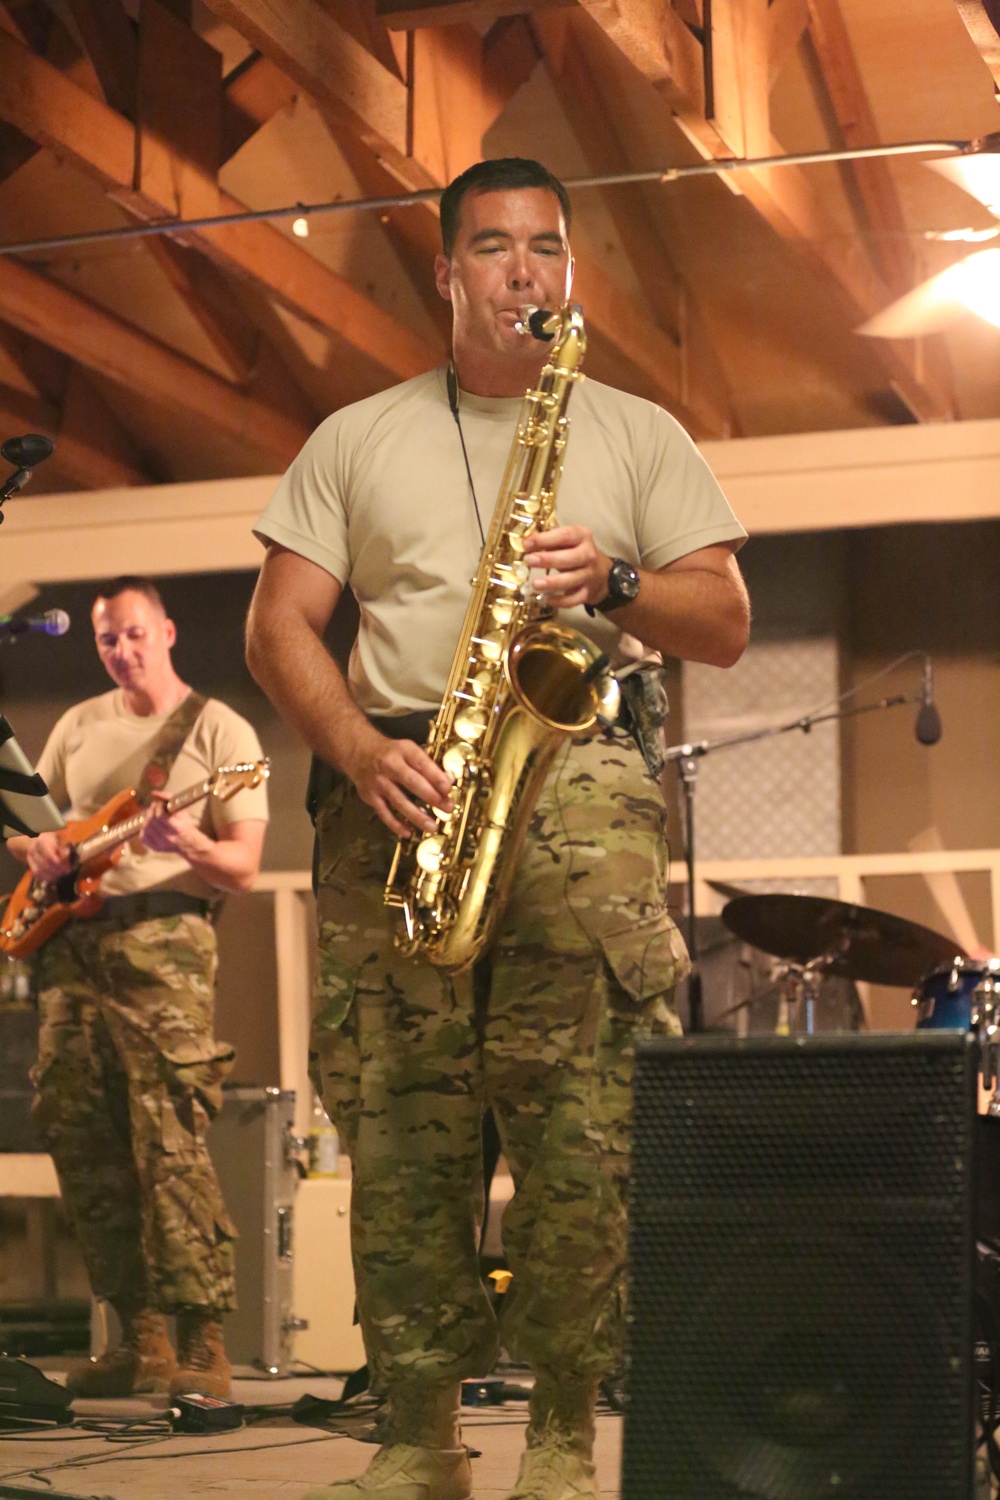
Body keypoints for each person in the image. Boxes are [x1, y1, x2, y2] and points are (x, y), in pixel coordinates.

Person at [245, 157, 749, 1500]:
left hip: (578, 780)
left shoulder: (641, 431)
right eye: (494, 247)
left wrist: (624, 580)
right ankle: (417, 1436)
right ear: (448, 272)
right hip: (399, 782)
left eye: (545, 249)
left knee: (578, 1121)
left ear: (567, 273)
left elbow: (729, 622)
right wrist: (357, 748)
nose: (523, 271)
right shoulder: (354, 436)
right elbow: (277, 625)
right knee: (402, 1124)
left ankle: (569, 1436)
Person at [5, 577, 269, 1400]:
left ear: (167, 631)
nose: (122, 650)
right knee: (82, 1139)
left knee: (170, 1141)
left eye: (133, 634)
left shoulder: (220, 729)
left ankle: (204, 1345)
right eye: (106, 640)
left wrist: (186, 839)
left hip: (166, 947)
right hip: (70, 949)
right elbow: (31, 829)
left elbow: (244, 868)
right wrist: (39, 852)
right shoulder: (79, 726)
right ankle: (137, 1338)